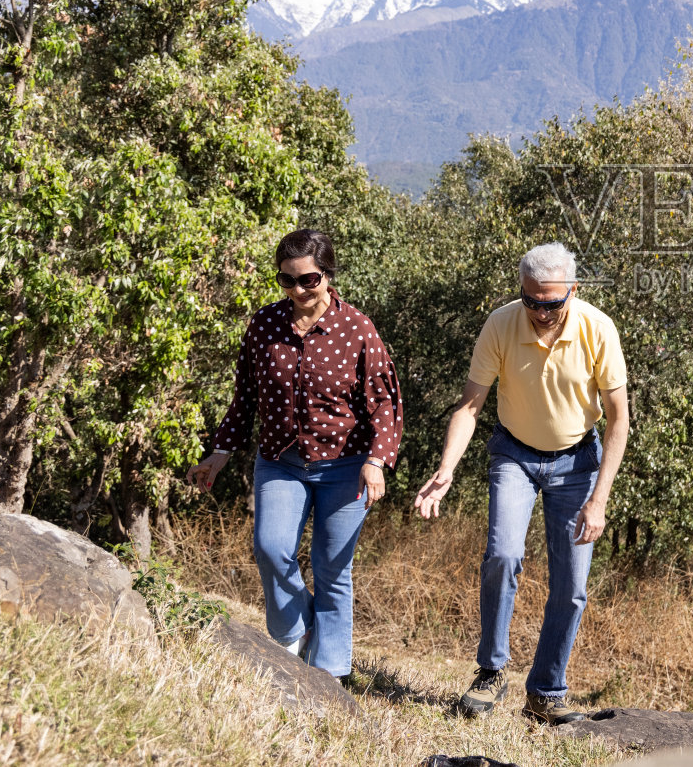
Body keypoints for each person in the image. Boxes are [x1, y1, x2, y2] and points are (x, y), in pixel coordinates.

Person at [415, 242, 629, 725]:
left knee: (572, 586)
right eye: (531, 300)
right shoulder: (502, 323)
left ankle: (546, 692)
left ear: (573, 291)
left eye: (552, 302)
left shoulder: (598, 329)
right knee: (503, 555)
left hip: (577, 464)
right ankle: (491, 672)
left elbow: (619, 420)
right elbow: (470, 407)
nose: (540, 312)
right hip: (513, 452)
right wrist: (447, 470)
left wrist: (599, 500)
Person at [187, 228, 402, 683]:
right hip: (280, 461)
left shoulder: (357, 329)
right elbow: (245, 396)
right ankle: (293, 632)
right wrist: (221, 451)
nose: (299, 290)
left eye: (309, 280)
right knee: (270, 547)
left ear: (328, 275)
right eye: (288, 280)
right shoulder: (264, 325)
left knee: (331, 569)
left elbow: (384, 401)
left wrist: (377, 460)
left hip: (346, 466)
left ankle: (330, 676)